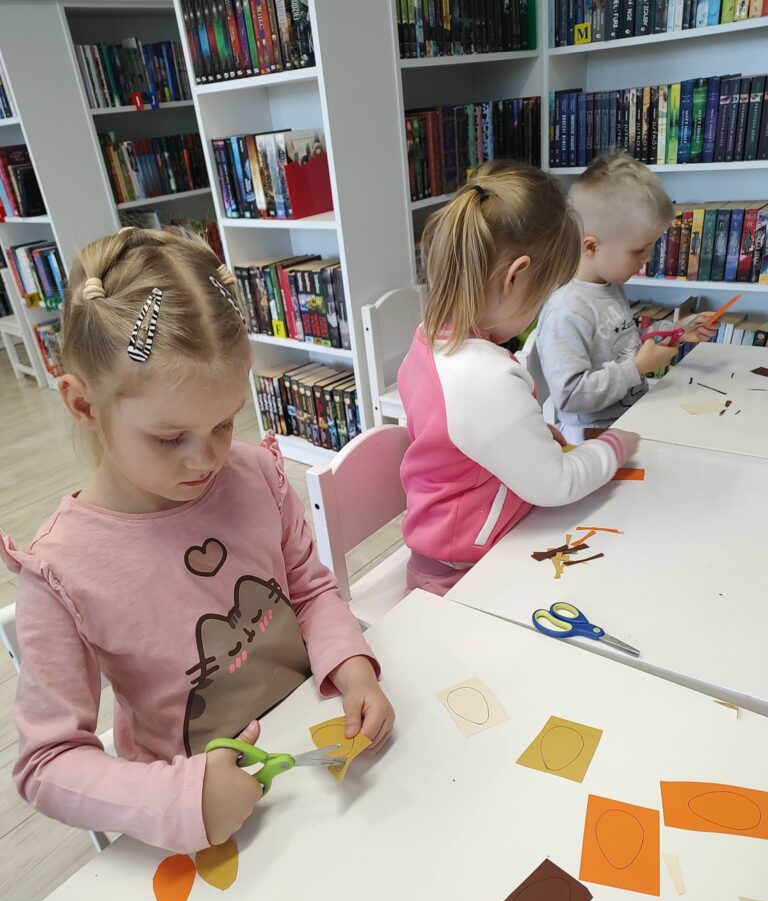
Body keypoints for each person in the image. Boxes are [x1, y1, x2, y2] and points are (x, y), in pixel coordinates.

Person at [0, 228, 394, 853]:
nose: (206, 458)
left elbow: (309, 590)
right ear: (83, 405)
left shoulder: (256, 475)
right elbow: (46, 763)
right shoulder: (62, 571)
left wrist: (352, 668)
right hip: (206, 824)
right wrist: (182, 799)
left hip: (316, 761)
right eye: (169, 437)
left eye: (225, 422)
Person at [397, 161, 639, 597]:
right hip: (464, 575)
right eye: (542, 297)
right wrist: (614, 446)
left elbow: (464, 437)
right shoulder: (484, 377)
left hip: (453, 548)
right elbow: (560, 483)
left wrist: (529, 434)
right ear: (516, 277)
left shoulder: (427, 341)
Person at [536, 153, 716, 443]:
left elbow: (619, 344)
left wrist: (675, 331)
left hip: (632, 422)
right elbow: (570, 396)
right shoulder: (566, 310)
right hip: (595, 442)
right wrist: (637, 368)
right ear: (591, 247)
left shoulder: (609, 286)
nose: (648, 259)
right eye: (638, 250)